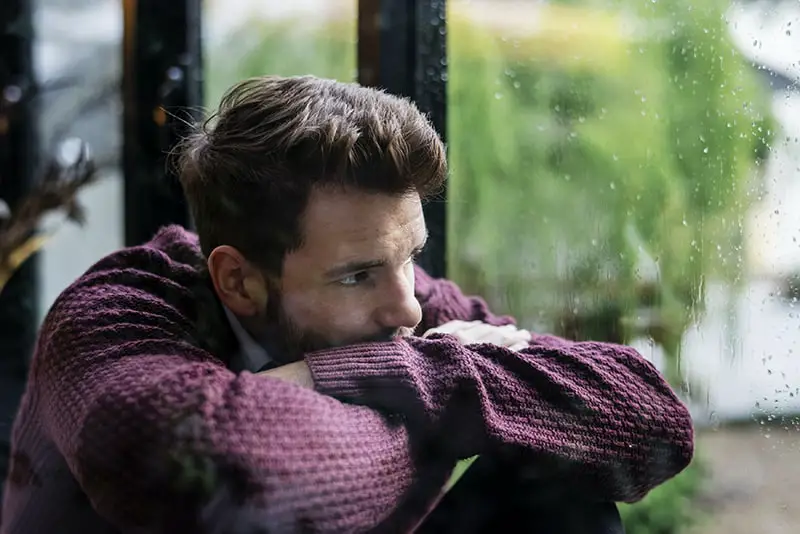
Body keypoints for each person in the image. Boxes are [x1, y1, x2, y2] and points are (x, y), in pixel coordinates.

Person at [0, 75, 694, 534]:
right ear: (239, 281)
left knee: (565, 495)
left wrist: (400, 376)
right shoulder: (111, 317)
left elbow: (651, 425)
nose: (410, 312)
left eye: (411, 255)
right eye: (358, 275)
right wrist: (460, 408)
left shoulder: (406, 301)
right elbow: (218, 479)